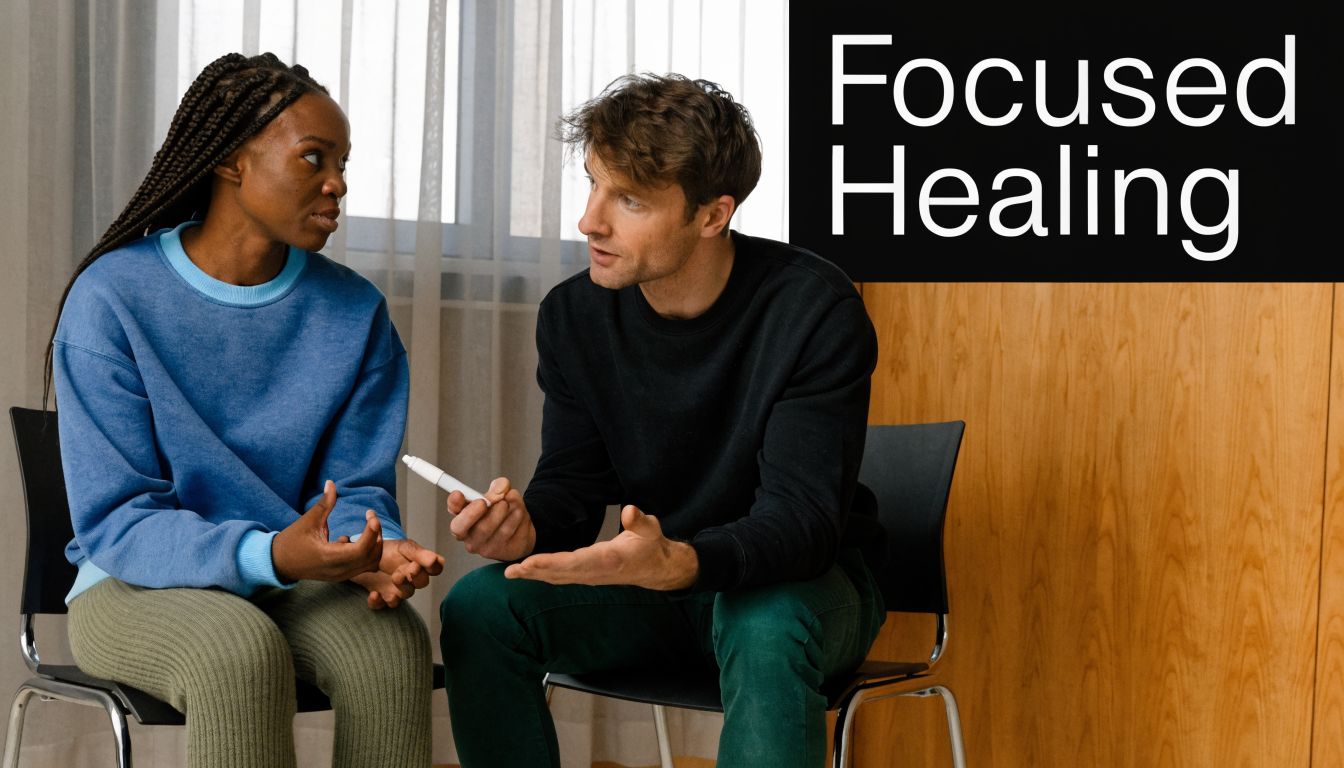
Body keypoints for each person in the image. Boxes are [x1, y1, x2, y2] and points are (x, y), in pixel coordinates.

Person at [438, 73, 885, 767]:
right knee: (482, 608)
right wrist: (525, 528)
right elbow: (572, 486)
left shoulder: (811, 309)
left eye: (629, 199)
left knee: (761, 618)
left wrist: (684, 562)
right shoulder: (574, 316)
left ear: (712, 214)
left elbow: (802, 525)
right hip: (655, 582)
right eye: (591, 185)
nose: (590, 221)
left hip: (800, 588)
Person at [47, 52, 443, 768]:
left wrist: (363, 550)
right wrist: (269, 553)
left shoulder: (355, 314)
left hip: (295, 580)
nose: (338, 184)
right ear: (233, 161)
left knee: (391, 645)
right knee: (236, 649)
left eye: (343, 162)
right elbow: (119, 518)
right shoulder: (113, 298)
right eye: (313, 158)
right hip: (133, 583)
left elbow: (352, 488)